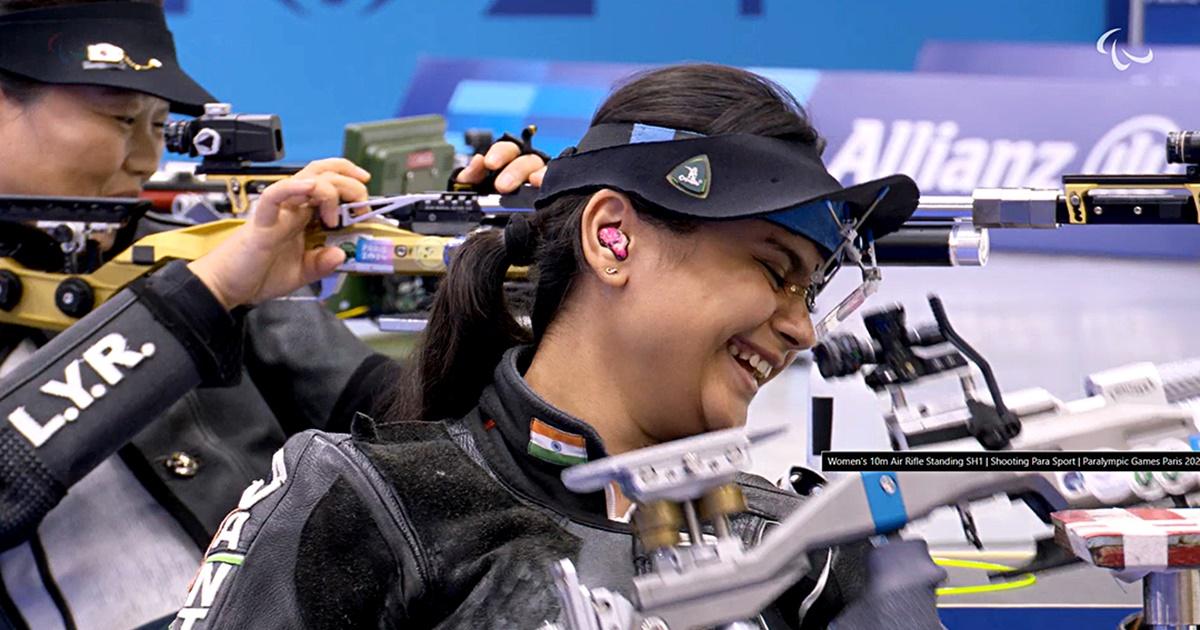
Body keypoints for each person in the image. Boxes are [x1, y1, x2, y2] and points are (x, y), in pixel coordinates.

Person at [159, 64, 946, 629]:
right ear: (612, 239)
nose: (802, 328)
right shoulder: (365, 498)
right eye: (776, 271)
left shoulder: (805, 546)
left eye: (811, 292)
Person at [0, 2, 543, 628]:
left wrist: (507, 267)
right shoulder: (208, 272)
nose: (146, 158)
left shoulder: (185, 252)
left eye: (160, 124)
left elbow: (415, 426)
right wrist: (202, 296)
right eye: (122, 118)